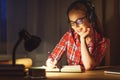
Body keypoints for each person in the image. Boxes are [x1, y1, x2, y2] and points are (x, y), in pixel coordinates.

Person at [46, 0, 108, 70]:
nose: (76, 26)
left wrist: (82, 40)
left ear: (90, 19)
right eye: (72, 23)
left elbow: (89, 66)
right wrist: (50, 62)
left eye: (79, 21)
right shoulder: (69, 36)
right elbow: (52, 58)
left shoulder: (101, 42)